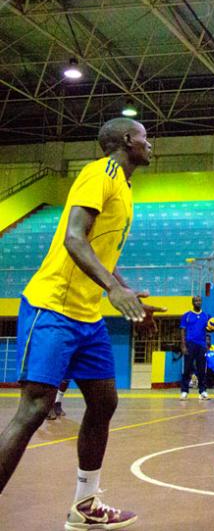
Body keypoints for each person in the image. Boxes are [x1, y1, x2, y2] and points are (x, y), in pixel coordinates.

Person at [0, 118, 164, 529]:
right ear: (128, 141)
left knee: (104, 401)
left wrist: (126, 295)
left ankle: (85, 505)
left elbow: (100, 253)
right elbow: (74, 238)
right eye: (144, 136)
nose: (150, 142)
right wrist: (114, 290)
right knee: (35, 408)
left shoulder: (124, 188)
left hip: (87, 316)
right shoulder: (100, 173)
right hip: (52, 307)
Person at [179, 296, 212, 400]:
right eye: (196, 301)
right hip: (190, 344)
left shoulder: (206, 316)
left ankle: (202, 391)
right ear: (192, 303)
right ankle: (184, 391)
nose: (198, 302)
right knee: (187, 368)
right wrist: (183, 345)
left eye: (199, 300)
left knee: (202, 369)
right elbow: (183, 331)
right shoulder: (186, 316)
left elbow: (208, 331)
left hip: (202, 345)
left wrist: (208, 343)